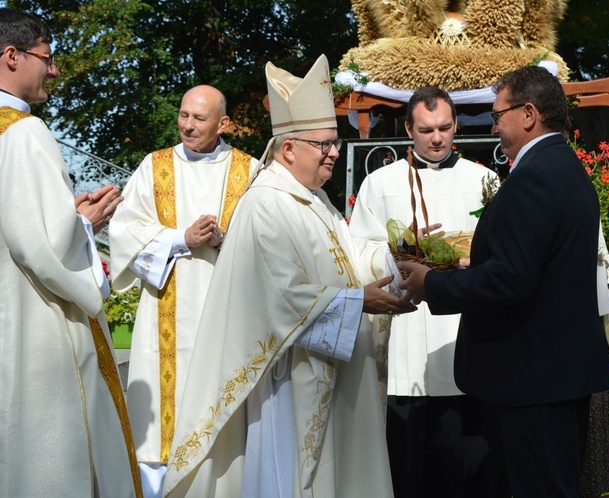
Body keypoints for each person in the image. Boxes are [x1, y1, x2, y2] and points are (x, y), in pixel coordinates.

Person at [162, 54, 415, 497]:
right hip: (289, 386)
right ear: (290, 148)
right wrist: (359, 302)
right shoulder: (266, 204)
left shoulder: (314, 199)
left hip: (327, 374)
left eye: (335, 142)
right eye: (325, 145)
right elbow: (279, 298)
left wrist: (401, 260)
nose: (335, 152)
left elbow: (351, 257)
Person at [398, 65, 609, 497]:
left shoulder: (534, 175)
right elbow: (534, 268)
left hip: (536, 378)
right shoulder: (563, 165)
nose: (493, 124)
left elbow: (511, 281)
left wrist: (433, 285)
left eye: (498, 114)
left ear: (529, 113)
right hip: (553, 372)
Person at [0, 8, 140, 497]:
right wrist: (85, 223)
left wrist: (67, 216)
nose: (54, 69)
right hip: (38, 329)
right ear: (12, 56)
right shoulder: (24, 132)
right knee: (55, 459)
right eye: (47, 57)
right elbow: (37, 246)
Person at [108, 84, 258, 495]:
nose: (187, 126)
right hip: (164, 322)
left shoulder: (250, 171)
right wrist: (180, 239)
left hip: (229, 322)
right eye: (183, 115)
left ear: (223, 123)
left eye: (199, 118)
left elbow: (270, 239)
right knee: (161, 435)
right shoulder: (153, 168)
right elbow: (124, 233)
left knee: (226, 443)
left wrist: (229, 238)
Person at [348, 86, 497, 497]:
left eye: (445, 128)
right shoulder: (380, 183)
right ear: (409, 129)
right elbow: (358, 252)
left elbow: (503, 254)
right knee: (407, 469)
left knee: (463, 468)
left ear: (456, 127)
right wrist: (404, 251)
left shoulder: (485, 180)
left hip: (462, 335)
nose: (437, 138)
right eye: (426, 129)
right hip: (406, 339)